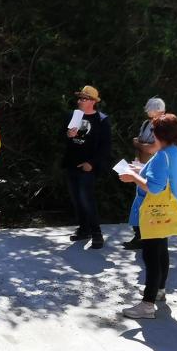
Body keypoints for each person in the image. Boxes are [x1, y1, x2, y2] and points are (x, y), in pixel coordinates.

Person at [118, 114, 177, 319]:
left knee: (150, 256)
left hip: (154, 212)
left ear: (158, 134)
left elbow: (154, 187)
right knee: (161, 251)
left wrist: (132, 177)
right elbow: (165, 177)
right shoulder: (175, 152)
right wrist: (141, 169)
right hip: (168, 211)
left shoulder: (162, 155)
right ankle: (158, 291)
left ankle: (147, 305)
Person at [64, 85, 111, 249]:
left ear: (92, 101)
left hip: (89, 167)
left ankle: (96, 233)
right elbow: (62, 138)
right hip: (71, 164)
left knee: (87, 199)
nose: (79, 101)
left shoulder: (102, 120)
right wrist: (68, 134)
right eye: (79, 98)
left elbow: (105, 146)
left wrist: (92, 163)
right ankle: (84, 229)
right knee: (76, 198)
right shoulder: (73, 115)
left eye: (83, 99)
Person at [122, 97, 166, 250]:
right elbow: (142, 145)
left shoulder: (164, 126)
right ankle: (139, 235)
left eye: (151, 109)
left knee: (150, 204)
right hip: (141, 165)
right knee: (138, 204)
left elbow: (152, 148)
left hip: (154, 170)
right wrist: (139, 150)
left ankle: (149, 238)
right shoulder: (146, 124)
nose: (149, 112)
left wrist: (138, 144)